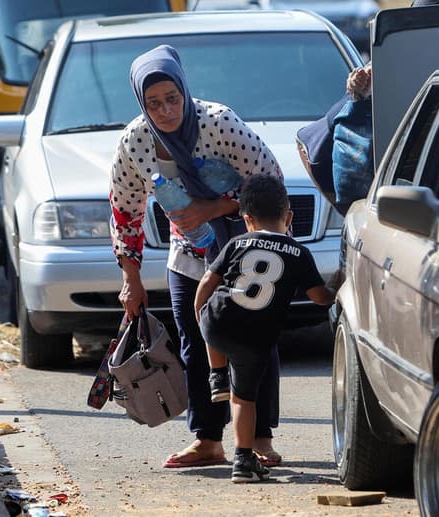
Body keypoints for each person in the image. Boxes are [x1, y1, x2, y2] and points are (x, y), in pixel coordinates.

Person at [109, 44, 285, 469]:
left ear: (186, 92)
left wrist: (217, 207)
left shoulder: (219, 123)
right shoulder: (136, 142)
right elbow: (124, 209)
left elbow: (270, 180)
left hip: (246, 251)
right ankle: (208, 439)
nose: (166, 111)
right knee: (195, 345)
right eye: (154, 104)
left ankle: (260, 437)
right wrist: (130, 279)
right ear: (141, 104)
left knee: (251, 341)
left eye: (173, 99)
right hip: (189, 253)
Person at [194, 174, 335, 483]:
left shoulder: (236, 243)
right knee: (244, 399)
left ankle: (217, 375)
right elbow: (320, 298)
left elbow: (207, 282)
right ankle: (243, 461)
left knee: (212, 317)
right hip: (256, 339)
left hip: (219, 320)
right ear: (289, 217)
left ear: (247, 220)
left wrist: (200, 314)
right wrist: (340, 280)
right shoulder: (298, 253)